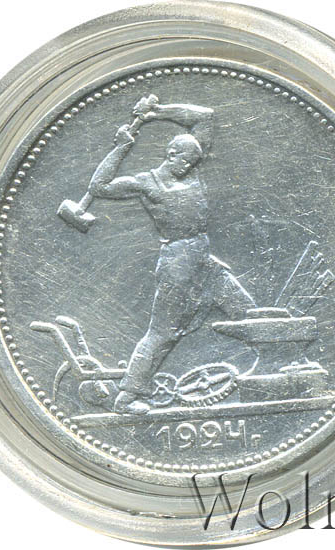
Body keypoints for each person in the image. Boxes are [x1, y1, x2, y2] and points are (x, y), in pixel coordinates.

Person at [88, 95, 256, 414]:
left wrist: (155, 113)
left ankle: (267, 375)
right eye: (185, 161)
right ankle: (126, 398)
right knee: (163, 333)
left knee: (248, 312)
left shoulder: (190, 169)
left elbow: (205, 115)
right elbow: (99, 187)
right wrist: (121, 147)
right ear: (171, 154)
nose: (189, 167)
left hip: (204, 261)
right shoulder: (147, 183)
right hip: (177, 264)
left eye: (194, 162)